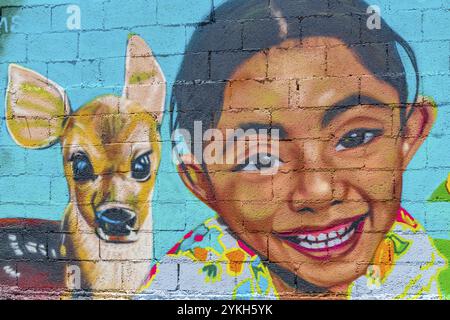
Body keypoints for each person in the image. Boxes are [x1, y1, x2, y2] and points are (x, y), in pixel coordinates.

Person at [137, 0, 449, 299]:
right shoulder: (189, 286)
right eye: (260, 160)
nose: (317, 191)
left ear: (409, 134)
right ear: (202, 182)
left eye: (355, 138)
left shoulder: (414, 259)